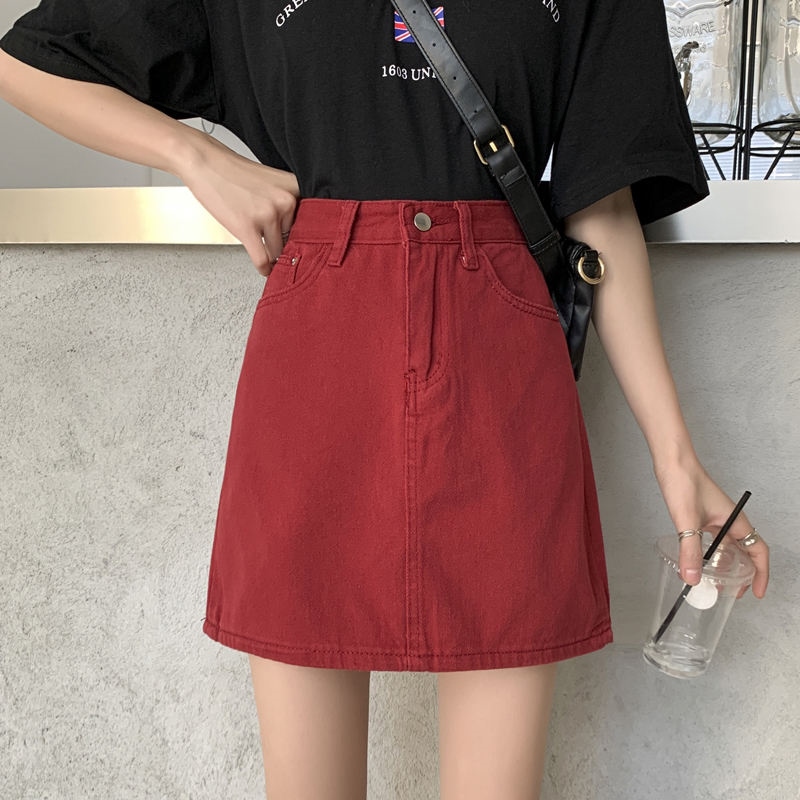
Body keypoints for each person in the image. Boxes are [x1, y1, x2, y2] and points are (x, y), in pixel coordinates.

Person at [0, 1, 770, 798]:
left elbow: (601, 206)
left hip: (502, 377)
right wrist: (194, 156)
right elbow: (27, 60)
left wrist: (676, 458)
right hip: (317, 372)